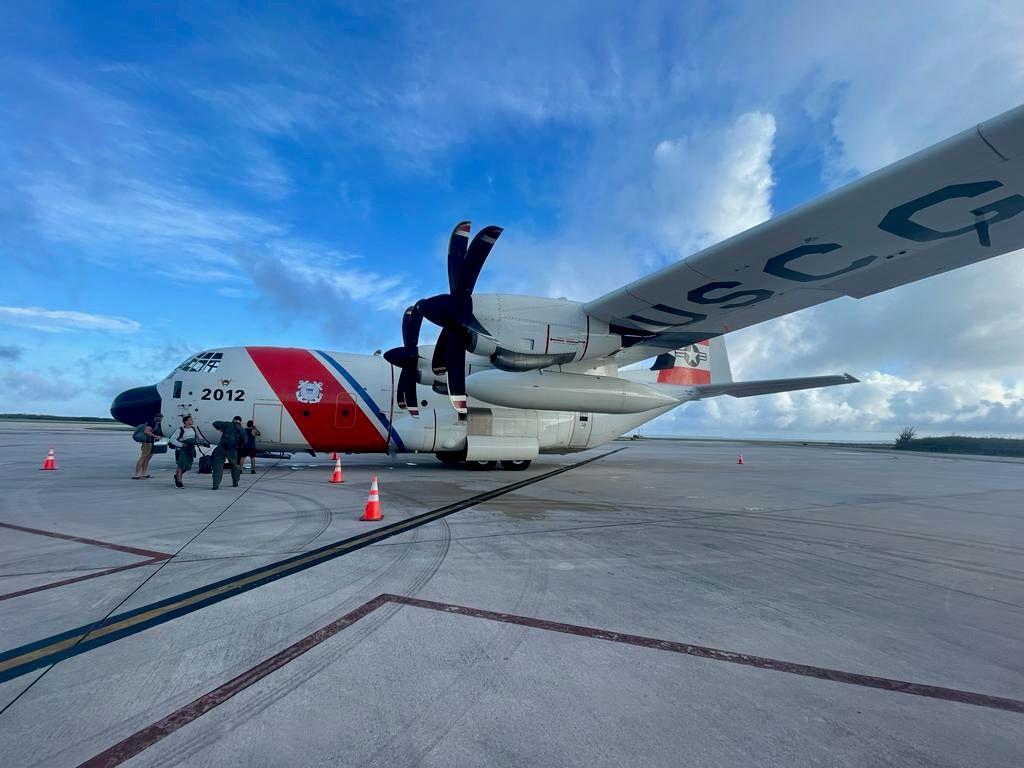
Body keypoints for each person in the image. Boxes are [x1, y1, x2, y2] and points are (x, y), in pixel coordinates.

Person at [211, 416, 246, 490]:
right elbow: (244, 440)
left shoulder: (228, 424)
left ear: (233, 420)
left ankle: (215, 484)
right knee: (234, 466)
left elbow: (215, 423)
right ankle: (235, 482)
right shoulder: (242, 429)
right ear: (240, 421)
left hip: (221, 448)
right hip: (232, 450)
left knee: (218, 466)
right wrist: (238, 445)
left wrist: (221, 428)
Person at [169, 414, 199, 489]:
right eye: (190, 420)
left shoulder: (193, 429)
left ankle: (177, 476)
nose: (192, 421)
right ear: (186, 421)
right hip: (182, 450)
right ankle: (179, 482)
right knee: (181, 465)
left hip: (190, 450)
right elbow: (172, 439)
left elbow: (197, 438)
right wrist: (181, 445)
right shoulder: (180, 430)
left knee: (187, 467)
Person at [132, 413, 163, 479]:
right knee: (143, 457)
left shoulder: (156, 424)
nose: (160, 418)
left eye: (161, 417)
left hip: (151, 442)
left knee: (147, 458)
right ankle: (136, 474)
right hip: (147, 443)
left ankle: (144, 473)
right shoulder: (152, 423)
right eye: (159, 417)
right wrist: (155, 436)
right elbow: (146, 431)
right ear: (155, 417)